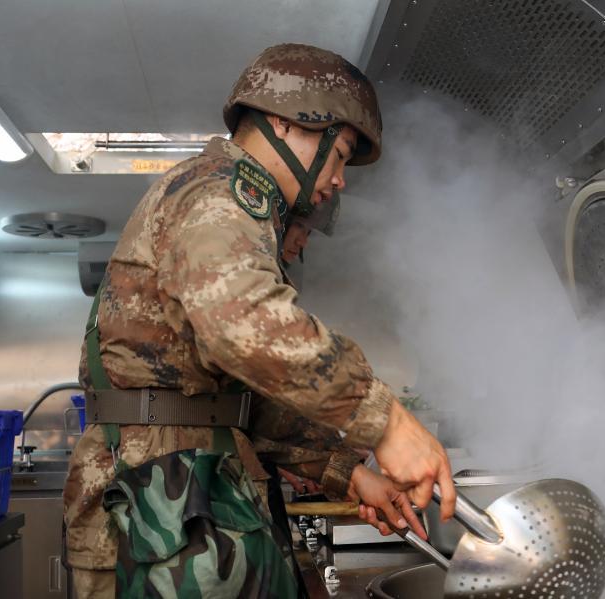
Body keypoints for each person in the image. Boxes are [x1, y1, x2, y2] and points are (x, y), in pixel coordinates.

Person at [63, 42, 454, 598]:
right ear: (288, 121)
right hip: (156, 500)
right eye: (340, 154)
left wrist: (348, 471)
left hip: (174, 492)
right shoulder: (221, 189)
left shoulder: (227, 198)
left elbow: (245, 400)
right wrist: (387, 422)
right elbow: (243, 322)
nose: (339, 179)